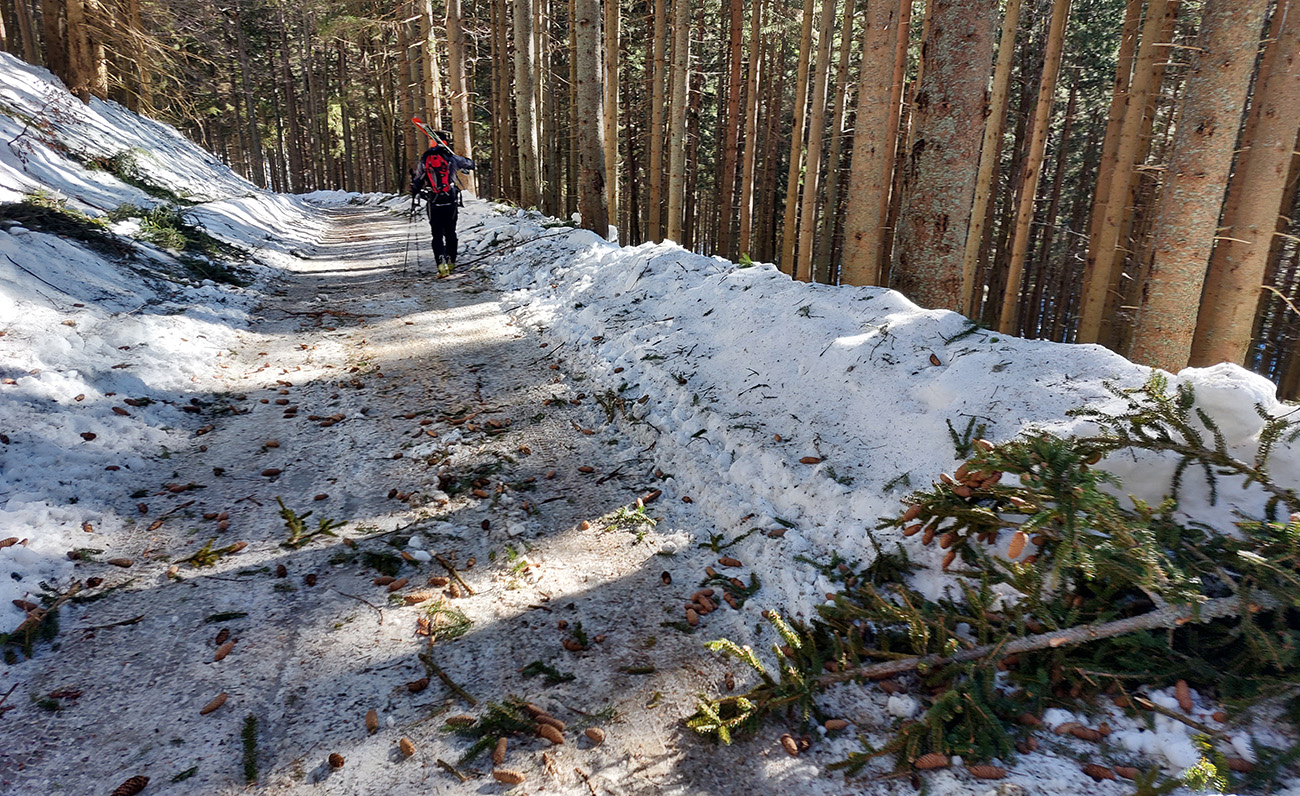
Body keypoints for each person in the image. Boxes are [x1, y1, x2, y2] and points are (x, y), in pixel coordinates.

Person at [410, 132, 475, 276]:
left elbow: (418, 181)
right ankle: (451, 262)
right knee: (451, 232)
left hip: (434, 202)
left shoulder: (425, 159)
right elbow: (471, 165)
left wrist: (414, 192)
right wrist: (461, 161)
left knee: (437, 235)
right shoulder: (452, 158)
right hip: (450, 201)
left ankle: (441, 264)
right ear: (445, 142)